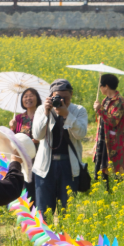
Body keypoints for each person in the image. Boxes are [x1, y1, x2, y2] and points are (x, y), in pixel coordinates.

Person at [31, 79, 88, 214]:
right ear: (51, 97)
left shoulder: (79, 110)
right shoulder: (41, 109)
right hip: (45, 167)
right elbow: (37, 135)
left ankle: (65, 235)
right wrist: (45, 112)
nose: (62, 101)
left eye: (65, 98)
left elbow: (80, 134)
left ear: (71, 94)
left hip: (69, 165)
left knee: (67, 213)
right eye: (58, 97)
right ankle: (45, 236)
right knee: (44, 213)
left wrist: (67, 115)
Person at [93, 73, 124, 179]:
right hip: (104, 140)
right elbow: (102, 123)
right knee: (103, 172)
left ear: (106, 86)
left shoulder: (118, 100)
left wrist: (100, 110)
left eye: (101, 85)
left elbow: (114, 121)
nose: (100, 88)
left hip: (116, 142)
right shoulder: (105, 100)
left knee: (117, 172)